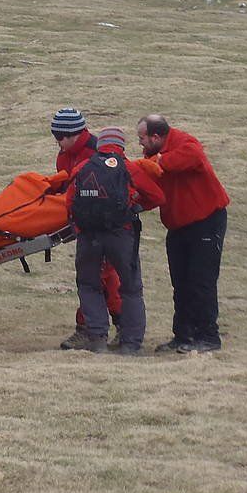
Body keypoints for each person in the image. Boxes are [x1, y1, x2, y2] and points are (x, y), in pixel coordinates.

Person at [66, 127, 165, 354]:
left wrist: (78, 227)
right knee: (130, 289)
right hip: (121, 235)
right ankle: (130, 344)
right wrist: (135, 207)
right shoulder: (128, 167)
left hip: (88, 236)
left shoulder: (83, 167)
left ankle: (98, 339)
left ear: (99, 145)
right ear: (121, 146)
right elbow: (158, 196)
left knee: (89, 286)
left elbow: (69, 202)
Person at [137, 114, 230, 353]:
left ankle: (208, 337)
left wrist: (159, 161)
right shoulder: (153, 157)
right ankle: (183, 335)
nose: (140, 143)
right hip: (178, 226)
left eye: (142, 138)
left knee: (202, 281)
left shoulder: (184, 143)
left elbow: (194, 157)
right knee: (180, 282)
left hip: (206, 222)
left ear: (156, 137)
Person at [50, 107, 124, 350]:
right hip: (85, 224)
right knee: (101, 277)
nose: (58, 142)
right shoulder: (66, 153)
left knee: (98, 278)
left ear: (74, 134)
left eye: (60, 136)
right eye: (55, 136)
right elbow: (64, 187)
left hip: (106, 225)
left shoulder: (97, 152)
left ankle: (92, 329)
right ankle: (116, 325)